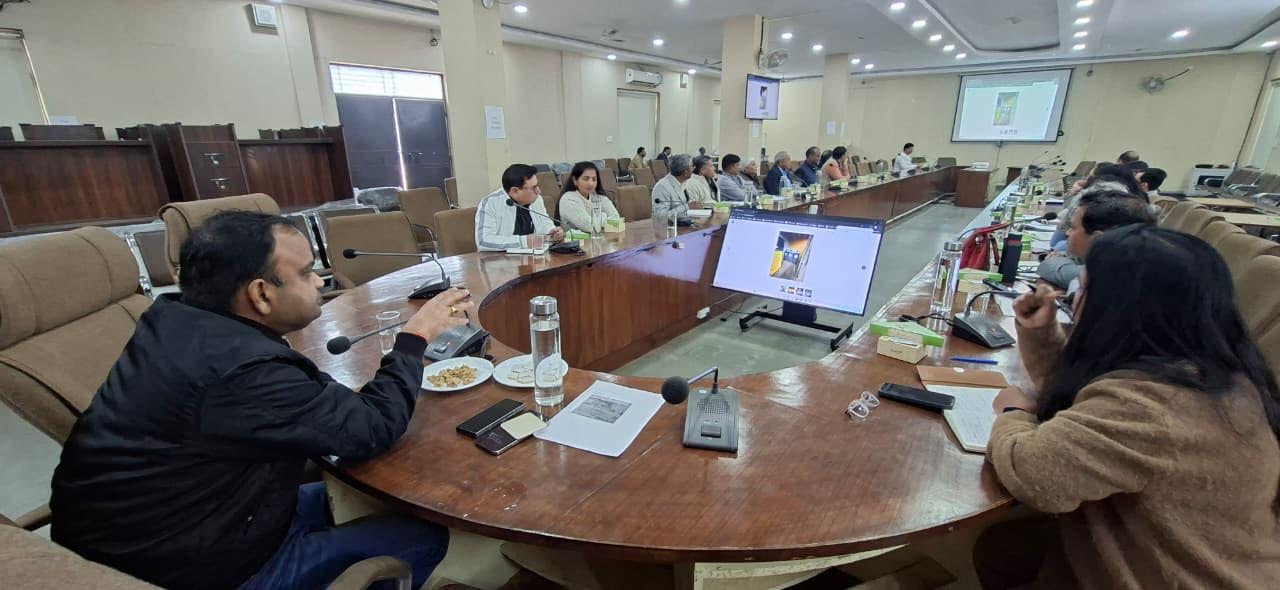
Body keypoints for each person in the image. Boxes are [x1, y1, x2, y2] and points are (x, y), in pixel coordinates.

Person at [50, 211, 473, 589]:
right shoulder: (244, 372)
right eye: (306, 273)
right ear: (260, 294)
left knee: (372, 496)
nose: (320, 281)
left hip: (178, 524)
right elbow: (373, 428)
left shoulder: (173, 319)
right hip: (200, 567)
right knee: (423, 535)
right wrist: (416, 337)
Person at [975, 224, 1280, 589]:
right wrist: (1042, 336)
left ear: (1118, 309)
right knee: (1005, 549)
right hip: (1185, 559)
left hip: (1179, 578)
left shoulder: (1152, 405)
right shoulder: (1208, 373)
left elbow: (1033, 475)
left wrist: (1014, 415)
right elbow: (1087, 402)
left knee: (1007, 547)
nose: (1073, 299)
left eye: (1082, 290)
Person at [1038, 191, 1155, 290]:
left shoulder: (1118, 273)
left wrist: (1053, 260)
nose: (1068, 233)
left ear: (1098, 239)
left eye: (1073, 228)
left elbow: (1057, 270)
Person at [475, 163, 565, 251]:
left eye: (537, 185)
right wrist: (523, 241)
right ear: (515, 191)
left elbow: (545, 223)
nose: (539, 191)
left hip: (535, 257)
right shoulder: (490, 203)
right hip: (501, 259)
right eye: (533, 188)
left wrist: (553, 233)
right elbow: (483, 241)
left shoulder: (536, 199)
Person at [557, 161, 620, 233]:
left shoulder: (599, 196)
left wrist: (597, 219)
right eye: (586, 179)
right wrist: (604, 216)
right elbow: (590, 227)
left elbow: (617, 221)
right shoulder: (568, 199)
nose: (590, 183)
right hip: (577, 240)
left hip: (603, 238)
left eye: (594, 179)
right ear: (575, 180)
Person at [652, 153, 694, 224]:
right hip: (667, 228)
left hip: (683, 223)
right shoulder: (662, 187)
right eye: (692, 166)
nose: (693, 169)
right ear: (685, 171)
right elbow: (661, 216)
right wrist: (687, 207)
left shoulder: (683, 182)